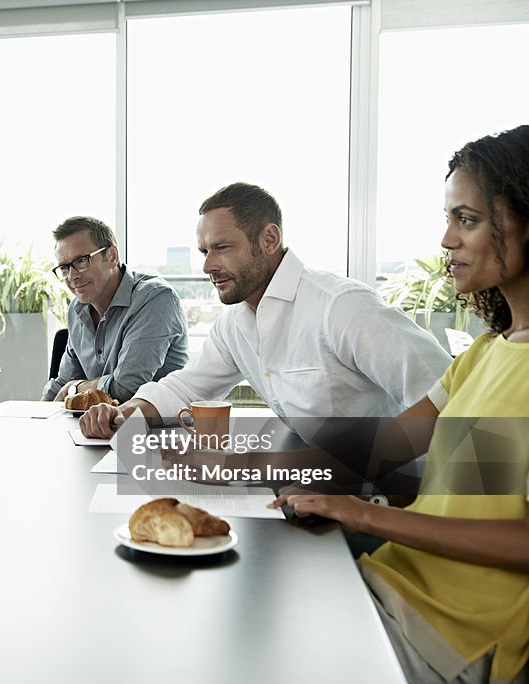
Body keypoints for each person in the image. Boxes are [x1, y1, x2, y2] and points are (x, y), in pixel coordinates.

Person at [274, 126, 529, 683]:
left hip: (454, 637)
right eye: (449, 219)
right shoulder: (487, 353)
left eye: (467, 220)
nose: (446, 240)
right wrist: (246, 463)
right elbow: (389, 446)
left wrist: (363, 512)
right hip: (394, 584)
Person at [80, 183, 452, 440]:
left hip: (385, 496)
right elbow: (188, 384)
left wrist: (379, 478)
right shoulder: (236, 324)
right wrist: (130, 410)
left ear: (269, 240)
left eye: (222, 247)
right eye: (203, 251)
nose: (208, 265)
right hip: (317, 483)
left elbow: (449, 393)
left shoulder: (340, 306)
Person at [41, 216, 188, 403]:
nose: (72, 276)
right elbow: (61, 384)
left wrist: (76, 387)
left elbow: (126, 388)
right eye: (64, 267)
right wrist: (36, 423)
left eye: (81, 261)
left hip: (151, 428)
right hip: (93, 427)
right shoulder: (77, 309)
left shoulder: (154, 299)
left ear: (112, 256)